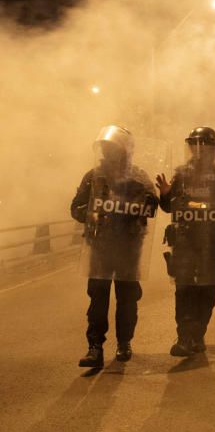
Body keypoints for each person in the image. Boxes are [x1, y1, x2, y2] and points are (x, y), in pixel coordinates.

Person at [71, 125, 159, 368]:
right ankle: (95, 347)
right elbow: (76, 207)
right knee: (97, 299)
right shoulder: (93, 176)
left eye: (113, 148)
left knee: (127, 299)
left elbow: (151, 207)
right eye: (105, 148)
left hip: (129, 249)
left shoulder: (139, 178)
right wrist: (89, 214)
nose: (108, 152)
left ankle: (124, 343)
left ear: (125, 151)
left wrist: (140, 203)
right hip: (100, 248)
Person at [157, 126, 215, 357]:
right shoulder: (181, 174)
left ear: (213, 150)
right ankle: (184, 337)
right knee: (185, 289)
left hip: (212, 241)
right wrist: (166, 194)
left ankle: (198, 335)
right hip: (185, 241)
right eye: (194, 146)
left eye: (204, 147)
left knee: (207, 290)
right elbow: (169, 207)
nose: (198, 151)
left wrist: (198, 205)